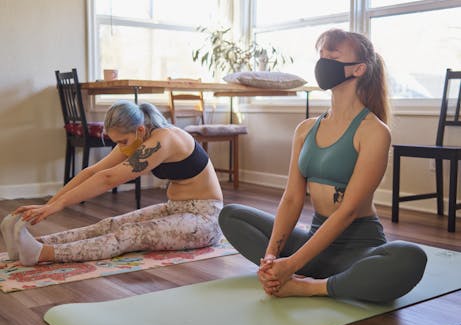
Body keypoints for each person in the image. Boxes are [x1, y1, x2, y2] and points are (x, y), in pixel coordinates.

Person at [218, 28, 427, 303]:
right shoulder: (305, 130)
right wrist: (271, 257)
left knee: (411, 257)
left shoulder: (374, 131)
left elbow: (349, 210)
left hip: (357, 247)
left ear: (359, 69)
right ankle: (315, 273)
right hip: (313, 242)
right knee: (231, 215)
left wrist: (290, 265)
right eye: (322, 54)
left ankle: (309, 286)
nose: (323, 61)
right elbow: (292, 198)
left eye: (333, 55)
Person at [1, 101, 223, 266]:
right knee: (107, 225)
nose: (122, 148)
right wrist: (49, 204)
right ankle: (32, 243)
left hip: (205, 220)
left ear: (140, 130)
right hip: (173, 209)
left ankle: (42, 253)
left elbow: (108, 178)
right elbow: (94, 171)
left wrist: (57, 207)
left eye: (123, 142)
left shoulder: (165, 139)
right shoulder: (136, 137)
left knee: (129, 234)